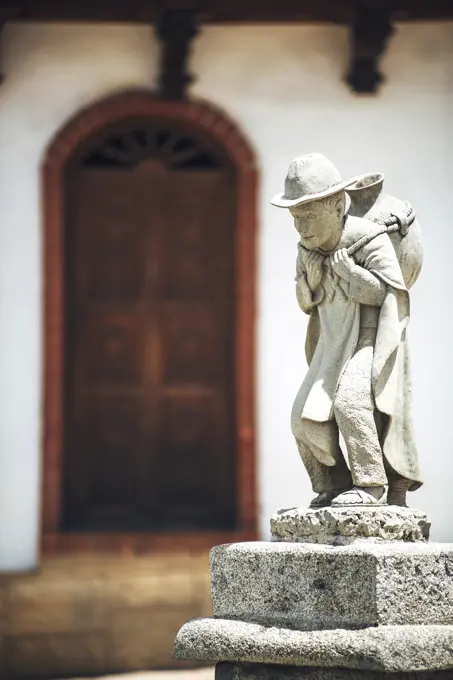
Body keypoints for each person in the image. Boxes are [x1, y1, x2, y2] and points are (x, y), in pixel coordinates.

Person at [271, 153, 422, 507]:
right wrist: (311, 277)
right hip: (332, 341)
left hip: (368, 337)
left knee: (350, 403)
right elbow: (305, 302)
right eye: (296, 217)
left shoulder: (367, 238)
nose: (303, 227)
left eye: (310, 215)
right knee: (301, 418)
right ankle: (332, 483)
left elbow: (388, 293)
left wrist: (351, 273)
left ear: (338, 205)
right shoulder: (306, 248)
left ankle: (370, 485)